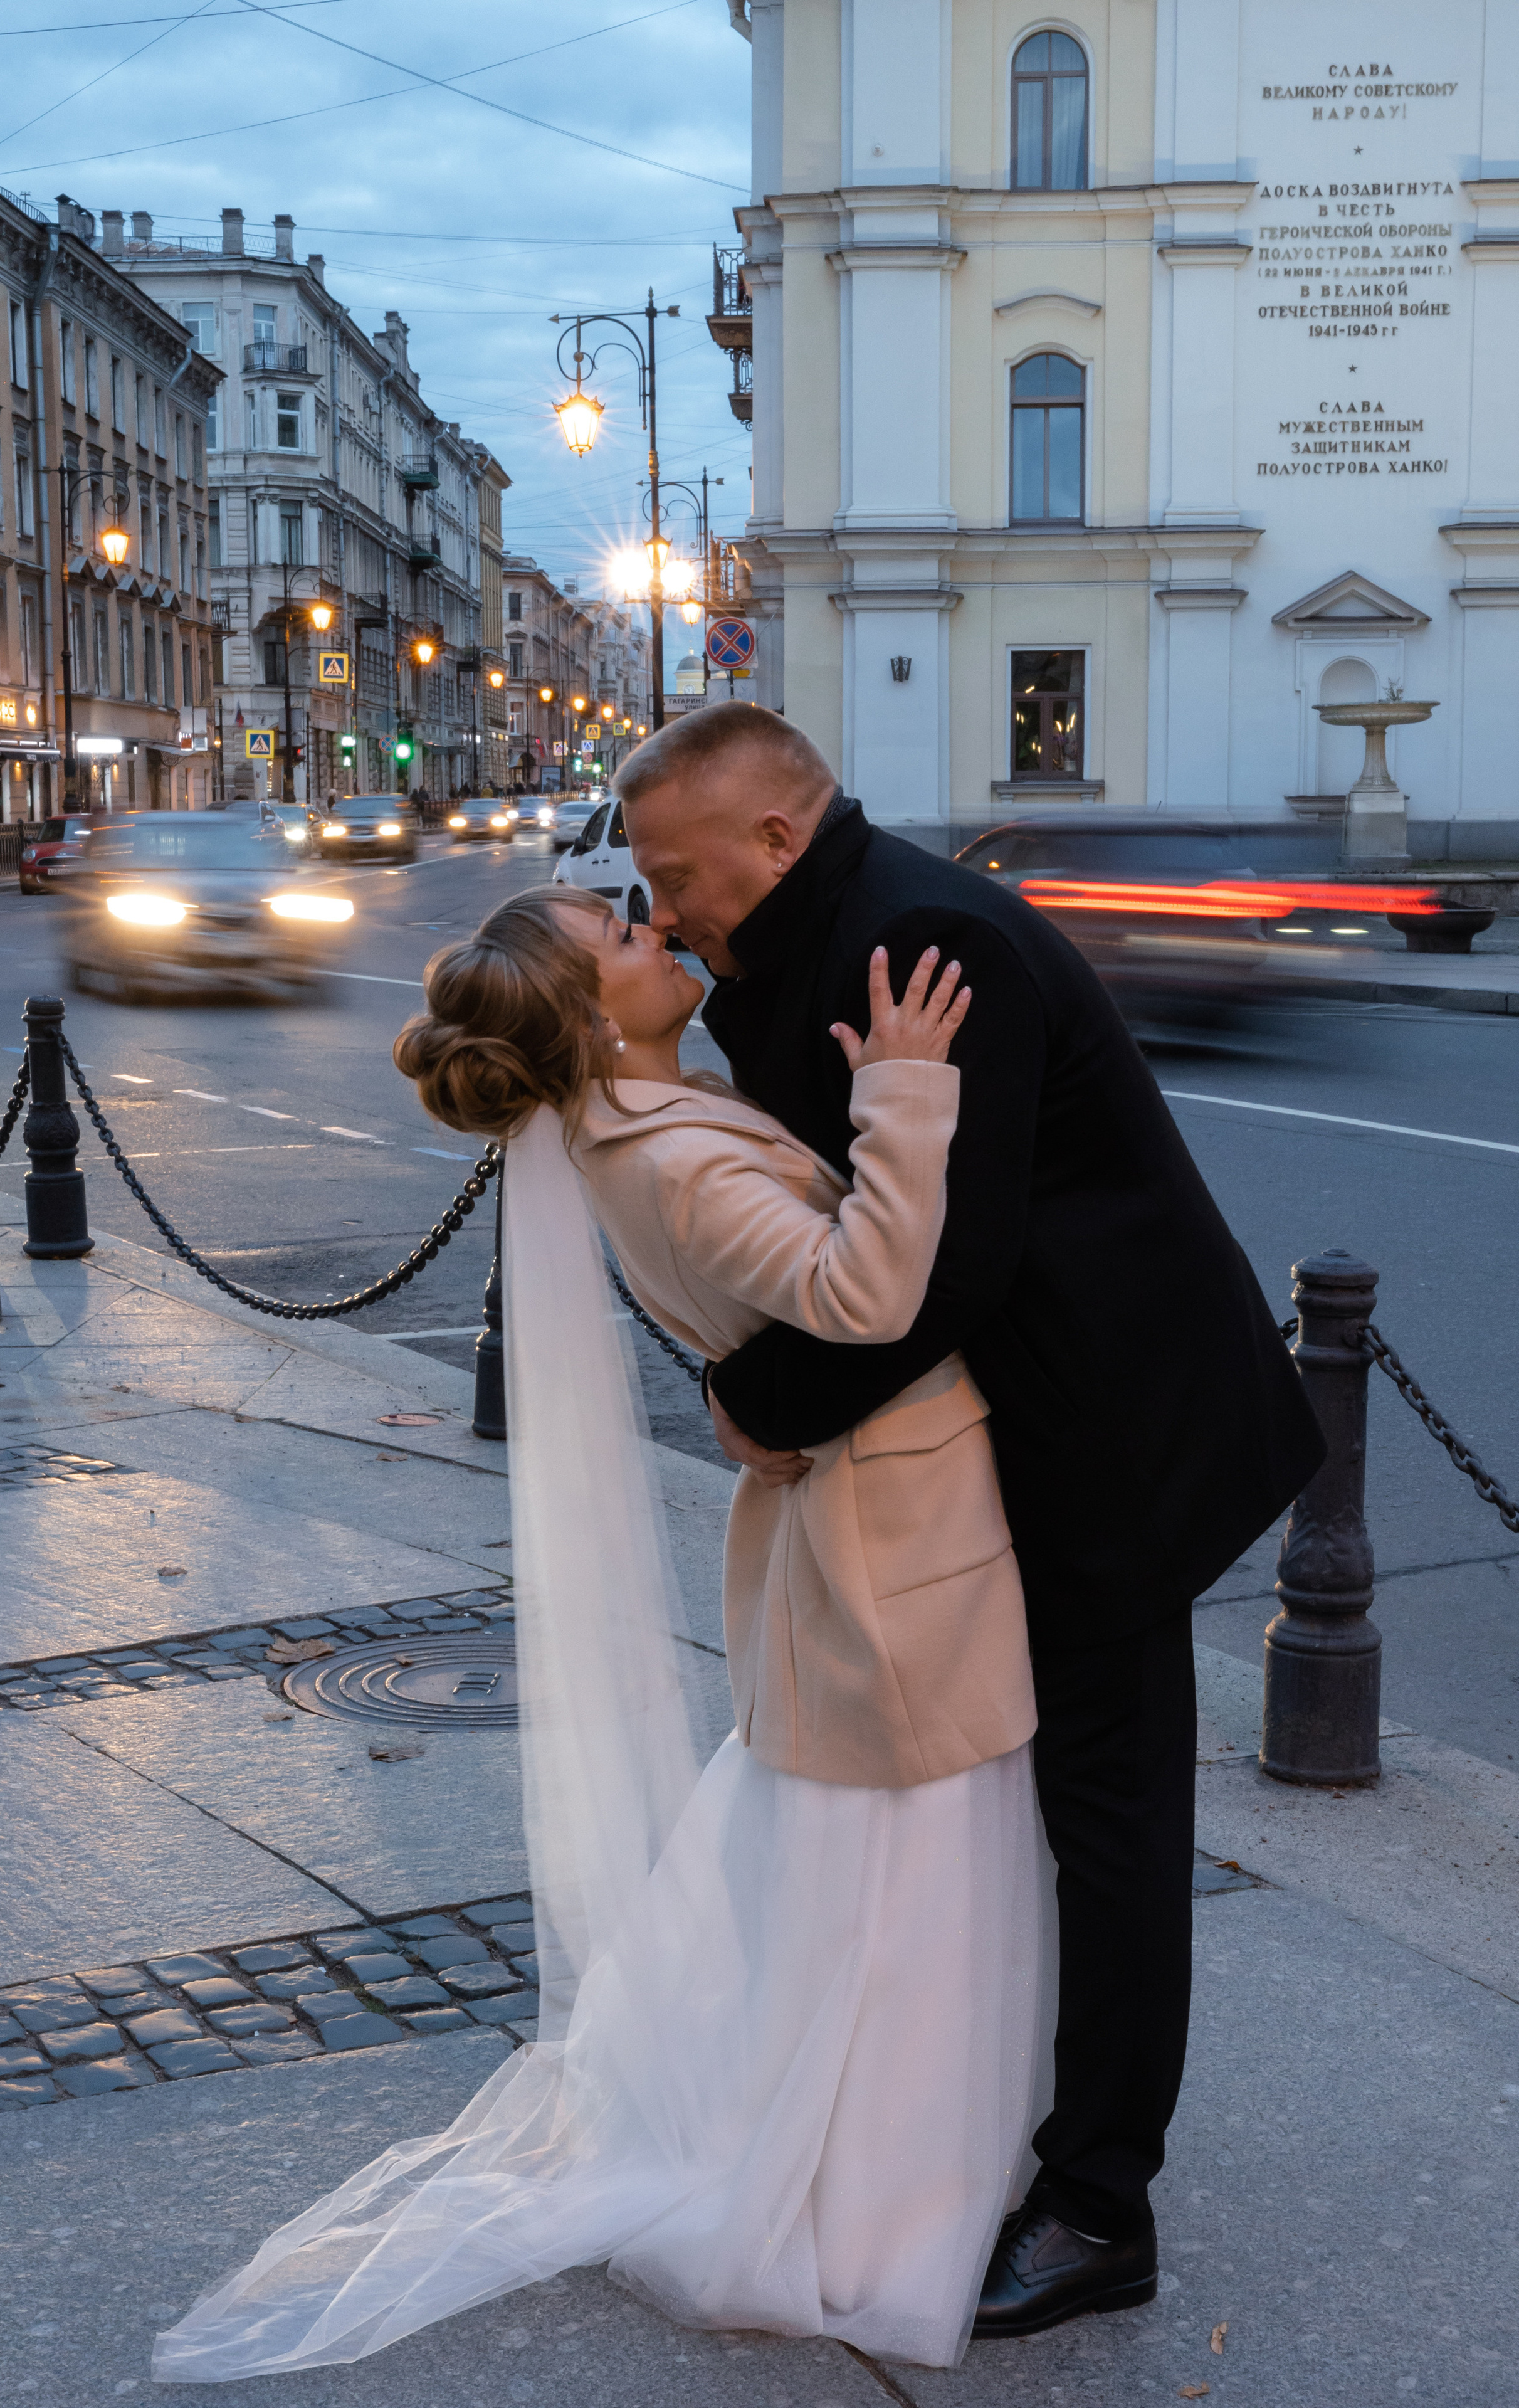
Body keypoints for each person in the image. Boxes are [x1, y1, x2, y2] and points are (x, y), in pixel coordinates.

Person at [154, 888, 1050, 2383]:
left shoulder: (641, 1121)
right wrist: (902, 1088)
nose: (657, 934)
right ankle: (866, 2201)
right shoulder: (674, 1157)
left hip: (864, 1535)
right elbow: (868, 1290)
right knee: (908, 1887)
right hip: (896, 1546)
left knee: (858, 1888)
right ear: (589, 1016)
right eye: (623, 937)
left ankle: (866, 2157)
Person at [618, 704, 1324, 2336]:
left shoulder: (917, 939)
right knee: (1055, 1813)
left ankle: (1096, 2209)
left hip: (1115, 1446)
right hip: (1030, 1440)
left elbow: (943, 1263)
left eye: (679, 872)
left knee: (1115, 1827)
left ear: (776, 840)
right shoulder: (806, 941)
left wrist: (759, 1411)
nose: (665, 909)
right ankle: (1012, 2126)